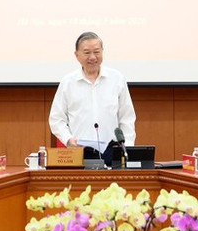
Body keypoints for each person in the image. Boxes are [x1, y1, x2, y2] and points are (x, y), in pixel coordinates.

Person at [49, 32, 136, 160]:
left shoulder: (116, 79)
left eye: (96, 52)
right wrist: (68, 139)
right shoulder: (68, 82)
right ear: (77, 55)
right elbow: (56, 119)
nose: (92, 57)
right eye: (87, 53)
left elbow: (127, 117)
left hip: (113, 150)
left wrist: (127, 148)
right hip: (80, 151)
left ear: (102, 52)